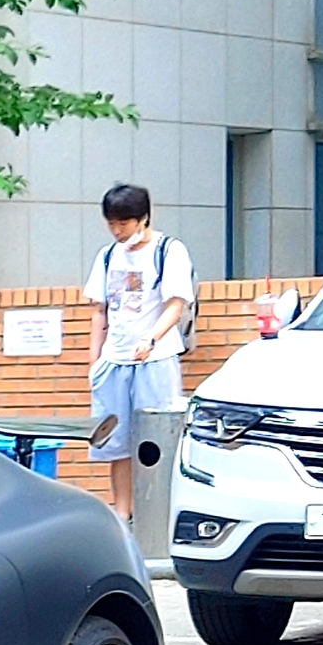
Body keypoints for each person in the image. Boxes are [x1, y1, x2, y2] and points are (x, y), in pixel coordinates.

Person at [83, 182, 195, 522]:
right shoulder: (107, 255)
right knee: (116, 442)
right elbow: (99, 311)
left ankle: (159, 515)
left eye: (124, 223)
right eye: (112, 223)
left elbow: (176, 305)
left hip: (155, 359)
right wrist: (94, 360)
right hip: (114, 360)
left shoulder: (168, 250)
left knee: (157, 439)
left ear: (143, 218)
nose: (117, 230)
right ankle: (122, 514)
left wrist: (151, 339)